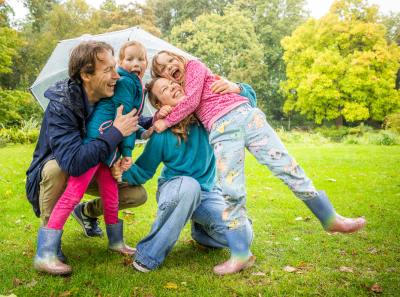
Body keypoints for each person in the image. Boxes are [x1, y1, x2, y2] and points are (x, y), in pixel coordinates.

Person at [150, 50, 367, 274]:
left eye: (171, 60)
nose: (170, 67)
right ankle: (240, 254)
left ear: (181, 59)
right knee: (232, 189)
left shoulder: (195, 66)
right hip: (223, 131)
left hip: (247, 117)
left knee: (287, 166)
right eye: (163, 70)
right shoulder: (180, 93)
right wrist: (160, 116)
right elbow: (170, 107)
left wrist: (236, 87)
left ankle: (330, 218)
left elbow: (205, 98)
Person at [26, 40, 149, 275]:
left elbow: (128, 116)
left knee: (131, 193)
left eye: (116, 67)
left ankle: (101, 228)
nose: (117, 75)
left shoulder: (109, 95)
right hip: (64, 169)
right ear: (86, 76)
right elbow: (73, 161)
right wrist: (115, 133)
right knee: (57, 169)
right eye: (108, 70)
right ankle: (47, 249)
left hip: (100, 157)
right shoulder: (62, 105)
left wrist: (154, 122)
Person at [112, 77, 257, 274]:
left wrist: (237, 86)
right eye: (164, 88)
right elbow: (144, 170)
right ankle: (148, 255)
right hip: (176, 189)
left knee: (245, 238)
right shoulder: (162, 132)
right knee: (189, 186)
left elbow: (248, 103)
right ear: (159, 104)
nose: (172, 87)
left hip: (208, 193)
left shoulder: (206, 116)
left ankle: (201, 231)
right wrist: (121, 171)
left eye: (174, 83)